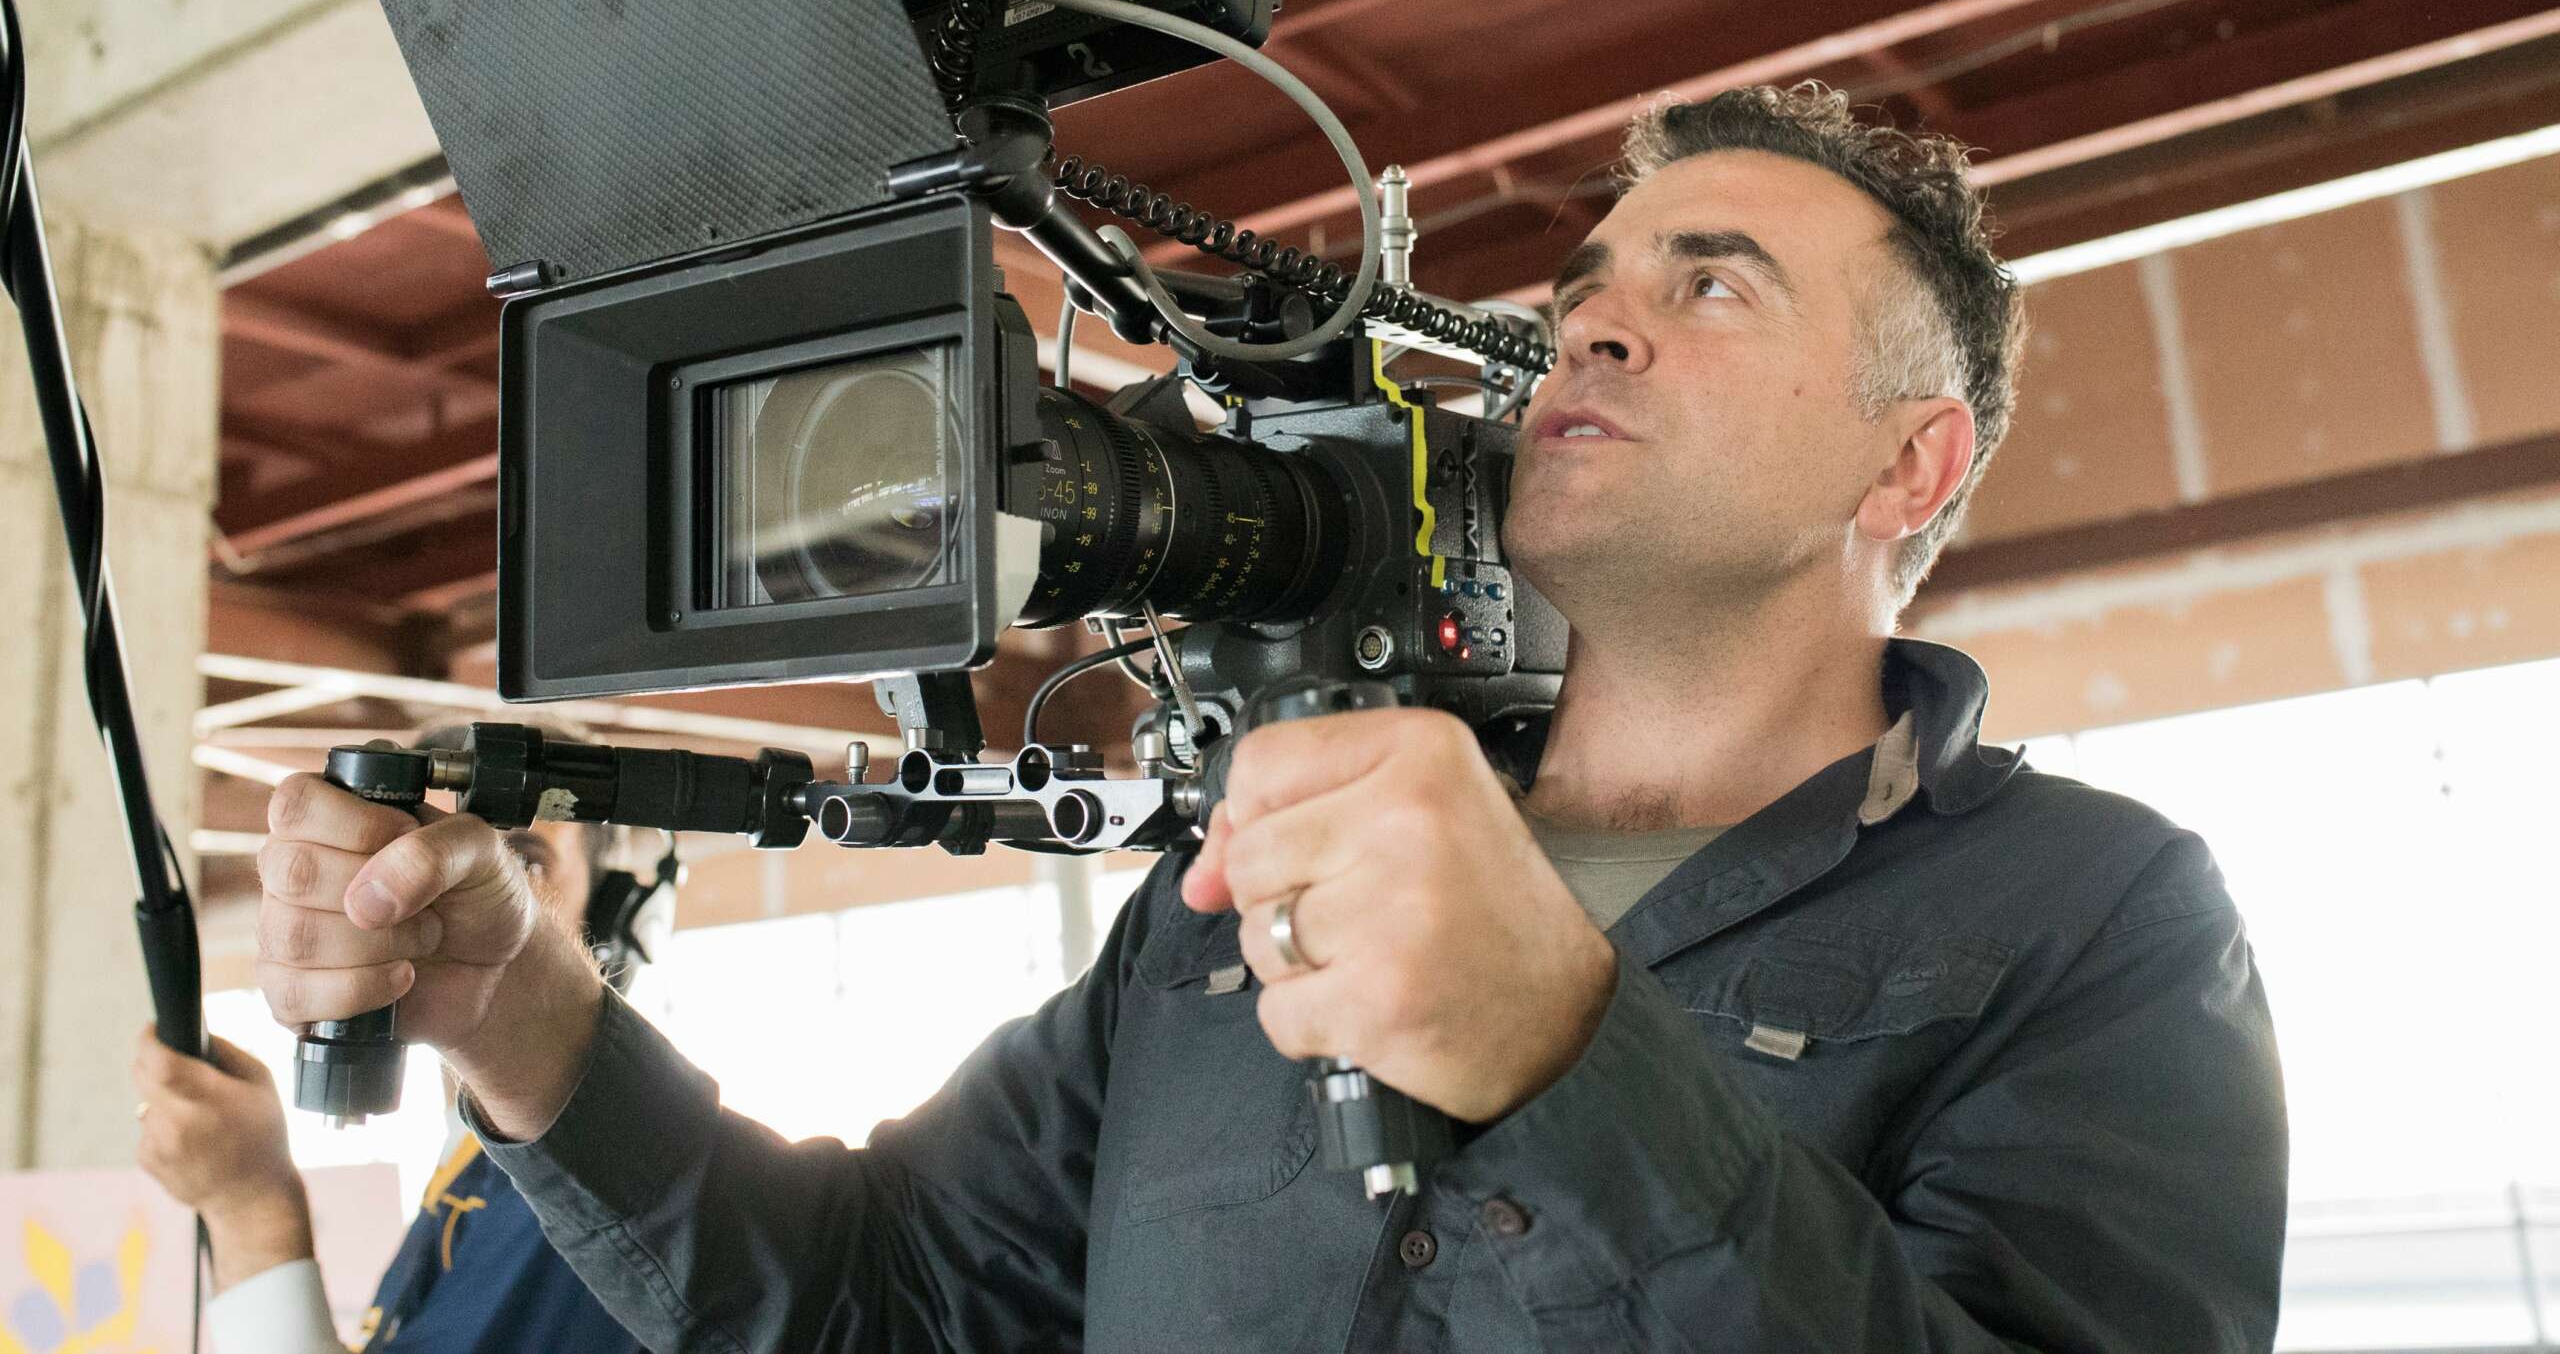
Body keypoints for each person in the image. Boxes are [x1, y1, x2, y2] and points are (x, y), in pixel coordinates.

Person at [250, 83, 2288, 1352]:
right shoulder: (1240, 886)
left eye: (1712, 285)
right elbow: (874, 1301)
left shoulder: (2091, 916)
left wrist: (1564, 1069)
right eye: (1588, 282)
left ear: (1908, 467)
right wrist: (525, 1022)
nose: (1590, 319)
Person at [136, 778, 656, 1353]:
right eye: (399, 859)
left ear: (610, 917)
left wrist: (249, 1211)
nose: (445, 891)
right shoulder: (476, 1160)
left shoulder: (591, 1180)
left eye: (522, 863)